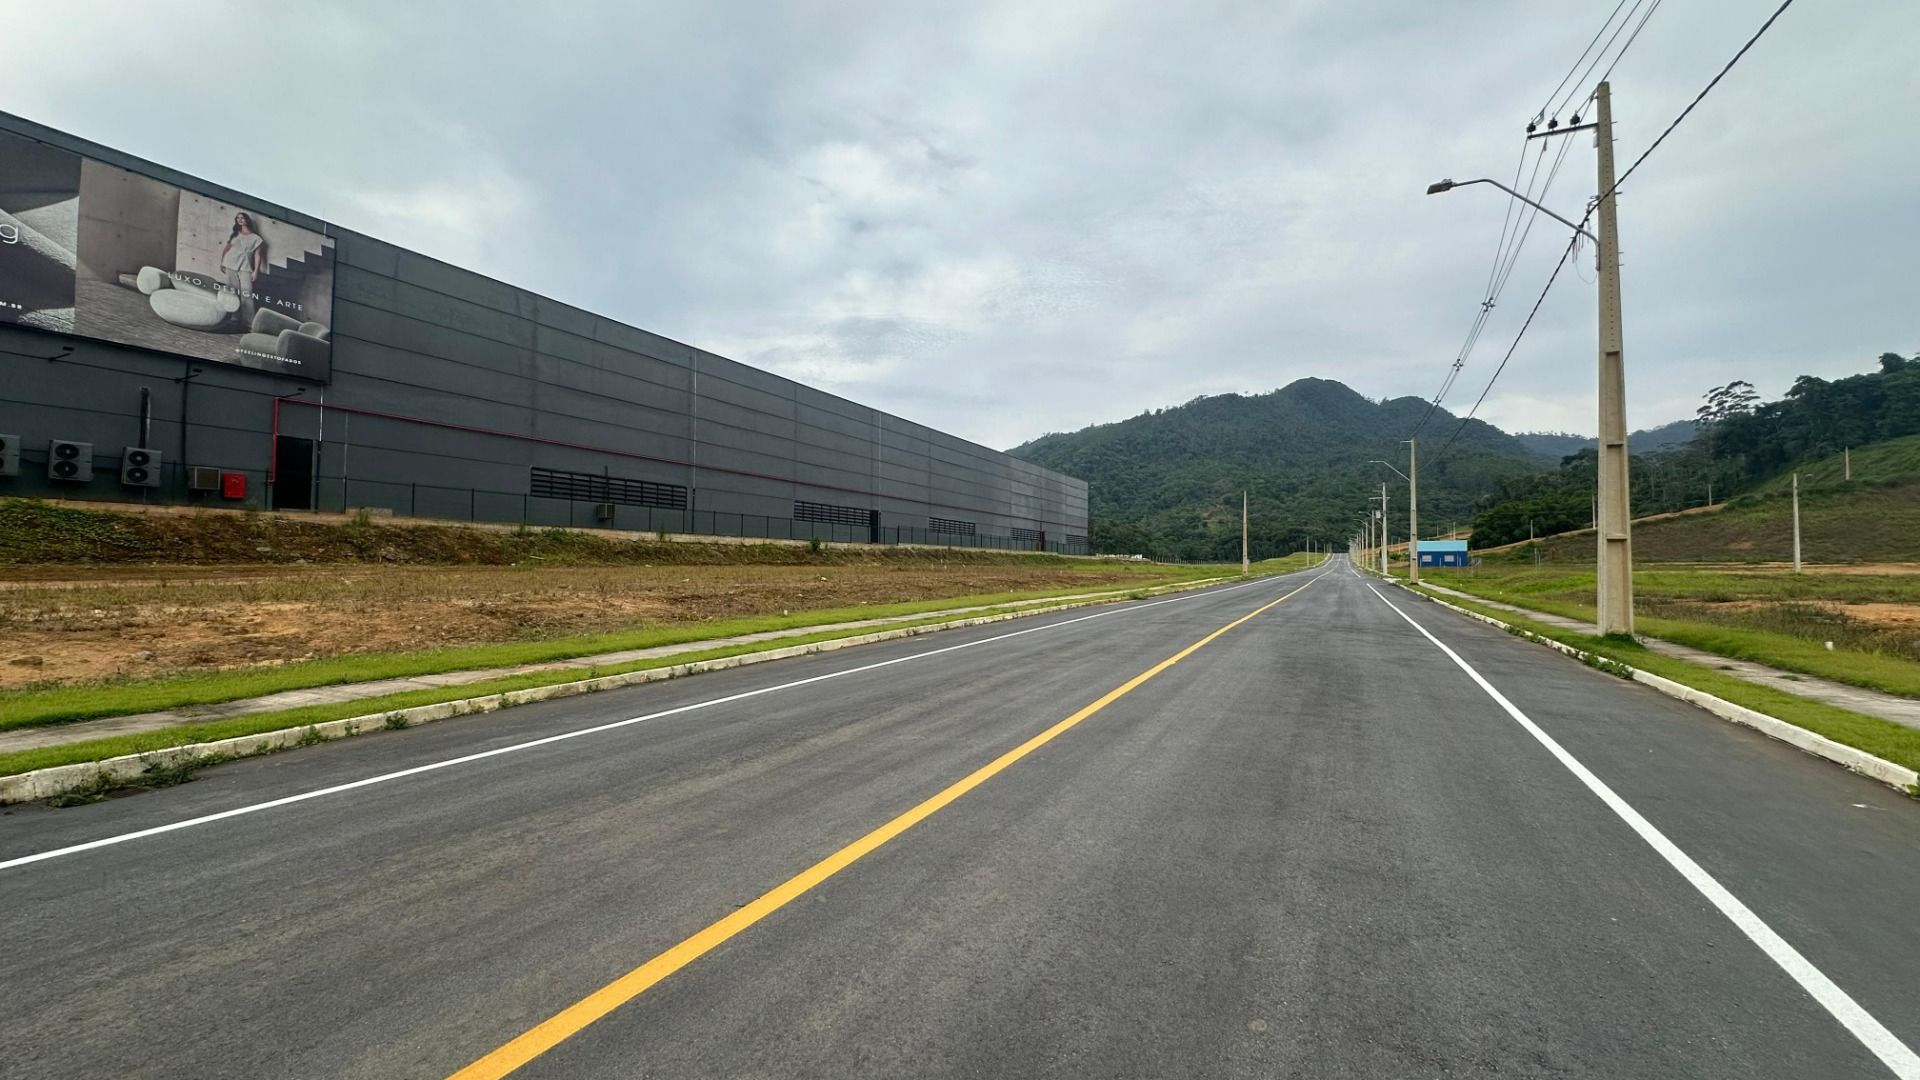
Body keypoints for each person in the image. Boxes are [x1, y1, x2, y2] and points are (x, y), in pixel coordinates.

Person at [219, 212, 266, 325]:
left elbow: (257, 255)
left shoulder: (256, 238)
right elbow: (226, 249)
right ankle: (234, 318)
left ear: (247, 220)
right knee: (232, 292)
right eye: (238, 218)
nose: (240, 220)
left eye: (242, 218)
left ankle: (249, 322)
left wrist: (255, 271)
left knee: (246, 293)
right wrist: (222, 262)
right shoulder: (235, 234)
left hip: (245, 266)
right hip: (230, 263)